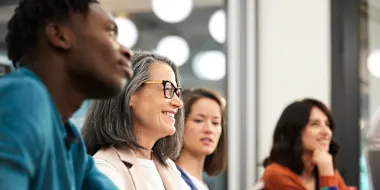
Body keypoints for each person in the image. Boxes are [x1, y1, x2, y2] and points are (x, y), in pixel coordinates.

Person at [0, 0, 133, 189]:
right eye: (110, 33)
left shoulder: (71, 142)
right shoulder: (23, 97)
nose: (127, 52)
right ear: (59, 35)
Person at [81, 50, 188, 190]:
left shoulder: (169, 168)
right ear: (130, 93)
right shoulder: (105, 169)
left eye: (176, 92)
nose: (178, 103)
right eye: (167, 89)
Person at [262, 98, 349, 190]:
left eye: (327, 124)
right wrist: (327, 174)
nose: (326, 132)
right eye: (315, 124)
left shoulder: (324, 168)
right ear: (295, 132)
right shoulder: (276, 174)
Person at [175, 88, 227, 190]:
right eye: (199, 120)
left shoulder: (200, 184)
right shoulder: (170, 179)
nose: (209, 129)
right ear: (179, 124)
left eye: (215, 122)